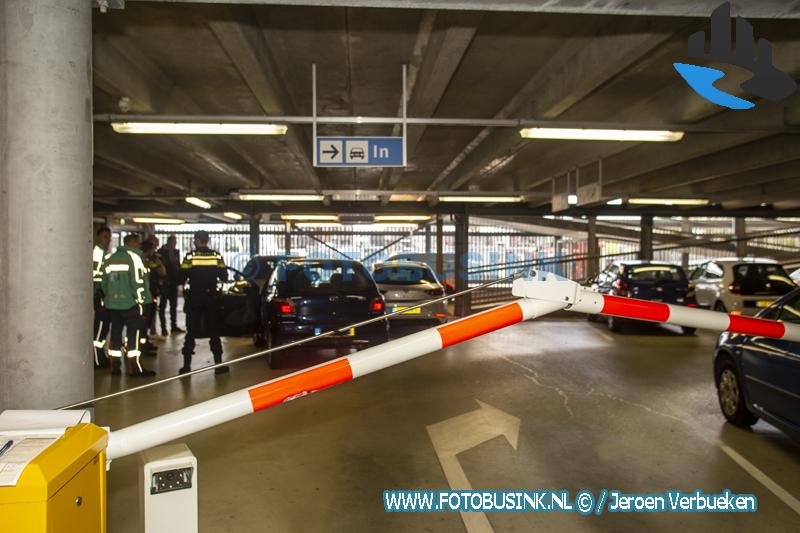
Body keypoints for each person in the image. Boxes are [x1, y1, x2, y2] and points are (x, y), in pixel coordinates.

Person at [101, 233, 156, 377]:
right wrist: (142, 302)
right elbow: (138, 283)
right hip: (131, 304)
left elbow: (104, 282)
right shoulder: (134, 258)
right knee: (133, 336)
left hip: (112, 304)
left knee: (115, 335)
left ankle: (115, 367)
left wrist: (109, 297)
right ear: (132, 243)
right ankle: (135, 368)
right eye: (137, 243)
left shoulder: (110, 258)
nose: (139, 246)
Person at [179, 230, 229, 375]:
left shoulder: (190, 256)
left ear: (197, 240)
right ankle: (218, 365)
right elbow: (225, 277)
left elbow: (181, 276)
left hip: (194, 297)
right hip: (211, 297)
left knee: (191, 331)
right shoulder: (216, 256)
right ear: (206, 240)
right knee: (214, 331)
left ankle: (186, 366)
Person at [141, 239, 166, 356]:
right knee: (145, 319)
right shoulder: (148, 261)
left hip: (149, 292)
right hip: (147, 293)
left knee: (147, 319)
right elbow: (162, 271)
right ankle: (142, 345)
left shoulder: (143, 260)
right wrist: (157, 260)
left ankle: (144, 342)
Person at [92, 226, 112, 369]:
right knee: (100, 327)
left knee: (104, 327)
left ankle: (100, 355)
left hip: (105, 294)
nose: (108, 239)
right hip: (99, 294)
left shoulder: (105, 253)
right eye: (105, 236)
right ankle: (97, 359)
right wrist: (99, 291)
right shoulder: (97, 253)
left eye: (109, 236)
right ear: (99, 237)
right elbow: (96, 276)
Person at [158, 234, 183, 335]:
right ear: (168, 242)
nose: (174, 244)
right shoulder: (161, 252)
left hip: (173, 283)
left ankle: (174, 325)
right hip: (165, 283)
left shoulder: (176, 252)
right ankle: (163, 327)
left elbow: (177, 265)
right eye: (172, 242)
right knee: (162, 306)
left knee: (174, 306)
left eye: (175, 242)